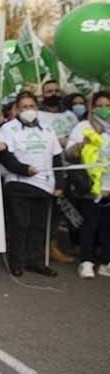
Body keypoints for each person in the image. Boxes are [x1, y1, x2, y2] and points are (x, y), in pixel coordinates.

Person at [0, 92, 64, 277]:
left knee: (39, 226)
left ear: (37, 107)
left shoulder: (48, 129)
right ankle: (16, 261)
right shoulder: (9, 128)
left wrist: (59, 184)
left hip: (44, 184)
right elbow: (6, 157)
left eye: (31, 106)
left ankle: (35, 261)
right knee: (20, 224)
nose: (28, 110)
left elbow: (56, 157)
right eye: (24, 107)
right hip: (19, 184)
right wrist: (23, 169)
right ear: (17, 110)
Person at [65, 91, 110, 279]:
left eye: (107, 105)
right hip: (90, 186)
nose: (103, 109)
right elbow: (69, 154)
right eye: (99, 105)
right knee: (89, 225)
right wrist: (83, 143)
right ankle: (86, 261)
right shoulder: (83, 126)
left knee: (107, 227)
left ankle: (107, 262)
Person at [37, 79, 77, 145]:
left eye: (57, 91)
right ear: (43, 94)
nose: (54, 94)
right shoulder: (36, 115)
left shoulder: (70, 115)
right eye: (49, 91)